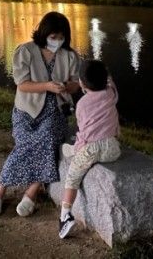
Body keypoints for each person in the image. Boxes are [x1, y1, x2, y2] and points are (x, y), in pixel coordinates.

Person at [0, 11, 81, 218]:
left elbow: (76, 84)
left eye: (61, 37)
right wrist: (47, 86)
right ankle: (0, 190)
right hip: (26, 110)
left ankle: (31, 193)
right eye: (53, 37)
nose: (57, 41)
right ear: (44, 33)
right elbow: (22, 84)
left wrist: (66, 86)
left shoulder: (70, 56)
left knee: (47, 139)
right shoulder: (25, 51)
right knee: (26, 143)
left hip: (55, 110)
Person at [58, 60, 121, 239]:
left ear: (82, 84)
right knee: (81, 149)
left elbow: (84, 133)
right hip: (112, 148)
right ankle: (72, 150)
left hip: (91, 149)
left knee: (72, 177)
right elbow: (109, 81)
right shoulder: (110, 94)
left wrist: (79, 147)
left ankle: (65, 215)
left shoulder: (82, 104)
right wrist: (105, 72)